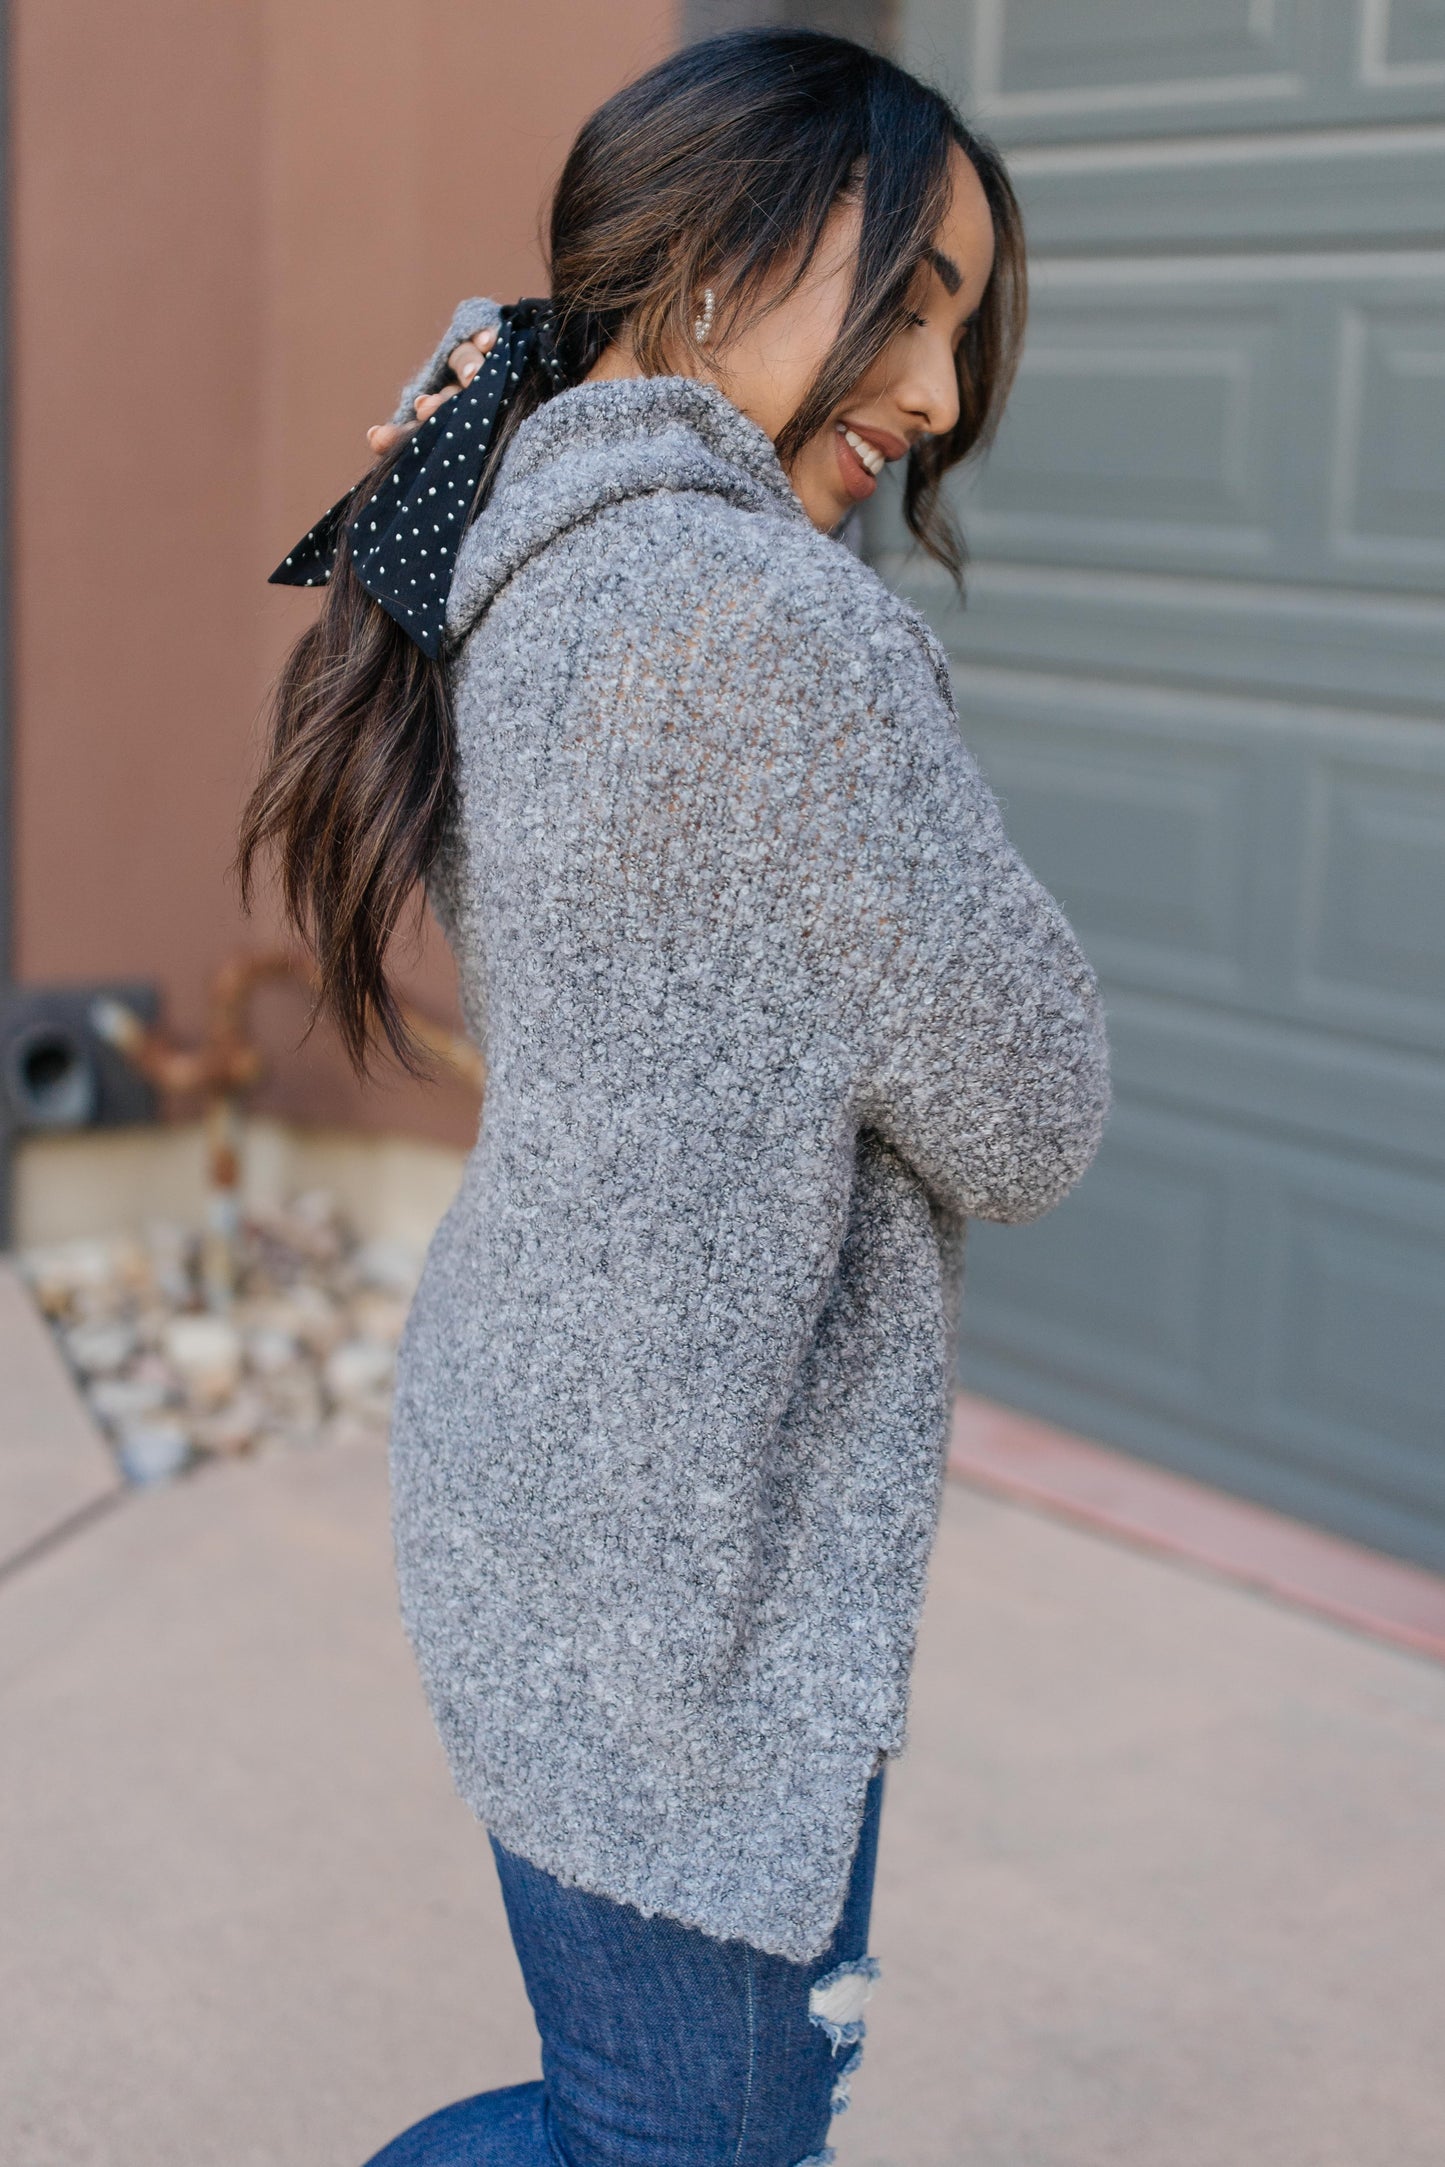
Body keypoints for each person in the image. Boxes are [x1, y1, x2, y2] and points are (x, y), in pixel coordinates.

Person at [238, 27, 1110, 2167]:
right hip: (685, 1588)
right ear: (717, 253)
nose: (929, 398)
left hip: (565, 1488)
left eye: (963, 329)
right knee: (691, 2141)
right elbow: (1036, 1108)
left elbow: (539, 375)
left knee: (668, 2118)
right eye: (911, 295)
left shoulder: (507, 528)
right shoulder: (758, 625)